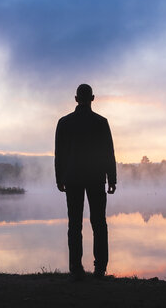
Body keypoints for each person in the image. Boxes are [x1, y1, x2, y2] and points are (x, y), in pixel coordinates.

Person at [55, 83, 117, 280]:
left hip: (72, 177)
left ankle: (75, 268)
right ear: (93, 98)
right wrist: (112, 178)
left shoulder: (64, 122)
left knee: (74, 224)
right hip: (96, 177)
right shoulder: (101, 122)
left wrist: (59, 178)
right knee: (99, 223)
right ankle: (100, 268)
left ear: (75, 99)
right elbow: (108, 152)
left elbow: (60, 154)